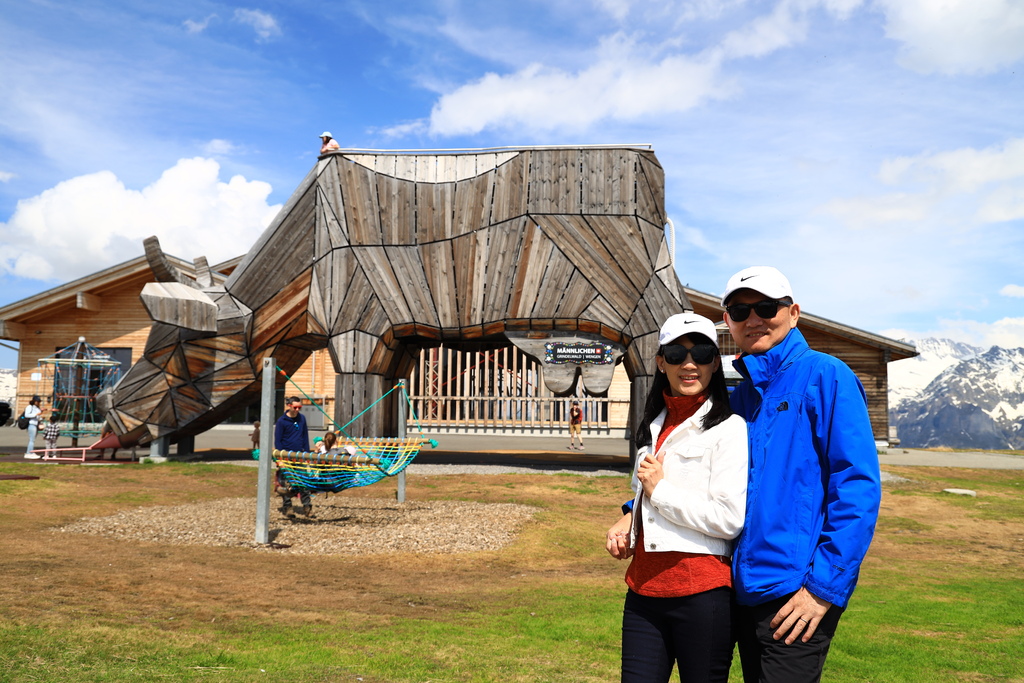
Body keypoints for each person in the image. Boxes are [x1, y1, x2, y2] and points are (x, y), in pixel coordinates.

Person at [721, 266, 881, 683]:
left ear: (793, 313)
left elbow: (857, 489)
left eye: (766, 307)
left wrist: (822, 590)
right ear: (728, 322)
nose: (753, 318)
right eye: (740, 310)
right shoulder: (741, 395)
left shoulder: (828, 376)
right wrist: (634, 506)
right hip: (739, 590)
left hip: (797, 594)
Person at [605, 312, 748, 683]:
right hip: (643, 590)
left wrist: (660, 491)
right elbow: (647, 493)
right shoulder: (653, 423)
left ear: (715, 363)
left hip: (701, 593)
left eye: (701, 353)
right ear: (660, 362)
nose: (689, 363)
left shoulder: (729, 429)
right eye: (675, 353)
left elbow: (729, 518)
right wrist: (629, 521)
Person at [274, 397, 313, 517]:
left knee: (303, 481)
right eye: (295, 407)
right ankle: (288, 507)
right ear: (289, 406)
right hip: (286, 456)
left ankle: (307, 507)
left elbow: (305, 436)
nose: (297, 410)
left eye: (299, 408)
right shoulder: (282, 421)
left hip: (299, 455)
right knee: (286, 483)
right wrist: (280, 458)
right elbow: (278, 440)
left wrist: (306, 453)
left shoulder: (302, 418)